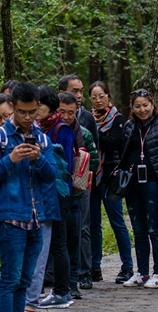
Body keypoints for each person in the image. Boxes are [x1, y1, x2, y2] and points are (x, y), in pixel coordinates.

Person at [0, 82, 58, 312]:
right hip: (8, 217)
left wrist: (38, 159)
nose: (27, 117)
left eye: (32, 112)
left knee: (25, 279)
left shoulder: (42, 138)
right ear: (13, 108)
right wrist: (10, 159)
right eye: (22, 112)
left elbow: (52, 176)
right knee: (9, 278)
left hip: (35, 217)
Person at [116, 88, 158, 288]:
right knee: (138, 228)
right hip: (133, 183)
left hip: (154, 182)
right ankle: (141, 272)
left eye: (145, 105)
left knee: (154, 228)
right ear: (132, 108)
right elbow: (123, 153)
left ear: (152, 105)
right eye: (138, 106)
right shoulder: (129, 126)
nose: (142, 109)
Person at [36, 86, 82, 308]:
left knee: (59, 243)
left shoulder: (61, 129)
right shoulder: (42, 127)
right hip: (46, 192)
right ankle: (56, 290)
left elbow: (64, 166)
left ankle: (62, 291)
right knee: (53, 243)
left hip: (59, 193)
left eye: (39, 106)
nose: (35, 111)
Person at [88, 81, 135, 284]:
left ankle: (127, 266)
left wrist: (94, 132)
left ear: (108, 97)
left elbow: (114, 142)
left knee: (117, 223)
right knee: (93, 224)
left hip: (111, 177)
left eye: (101, 96)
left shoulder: (117, 119)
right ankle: (94, 266)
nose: (98, 100)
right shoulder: (86, 118)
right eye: (94, 97)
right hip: (91, 178)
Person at [58, 74, 100, 289]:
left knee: (83, 227)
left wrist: (85, 175)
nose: (79, 95)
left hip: (81, 184)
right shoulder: (52, 126)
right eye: (75, 91)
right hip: (59, 186)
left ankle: (85, 272)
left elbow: (94, 154)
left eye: (81, 91)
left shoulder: (85, 122)